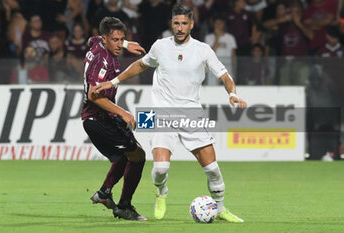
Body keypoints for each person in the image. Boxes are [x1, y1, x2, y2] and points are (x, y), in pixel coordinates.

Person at [94, 5, 247, 222]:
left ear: (192, 24)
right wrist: (114, 80)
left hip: (191, 114)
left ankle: (220, 208)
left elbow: (224, 75)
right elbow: (140, 65)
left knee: (212, 169)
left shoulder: (203, 49)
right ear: (171, 24)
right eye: (176, 23)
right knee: (160, 169)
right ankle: (161, 191)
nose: (180, 28)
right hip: (160, 113)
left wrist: (232, 93)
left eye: (184, 23)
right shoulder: (160, 46)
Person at [81, 16, 147, 221]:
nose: (119, 44)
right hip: (99, 118)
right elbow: (94, 94)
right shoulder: (103, 60)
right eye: (115, 40)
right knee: (137, 156)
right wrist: (122, 112)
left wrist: (127, 44)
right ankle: (124, 206)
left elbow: (92, 39)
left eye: (122, 39)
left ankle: (104, 193)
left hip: (98, 118)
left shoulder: (97, 44)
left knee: (123, 157)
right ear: (105, 39)